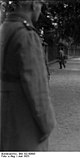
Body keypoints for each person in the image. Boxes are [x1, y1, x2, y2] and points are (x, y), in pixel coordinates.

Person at [0, 0, 56, 151]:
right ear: (33, 5)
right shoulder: (27, 36)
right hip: (22, 117)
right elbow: (37, 88)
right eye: (41, 5)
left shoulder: (4, 28)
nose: (41, 10)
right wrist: (47, 124)